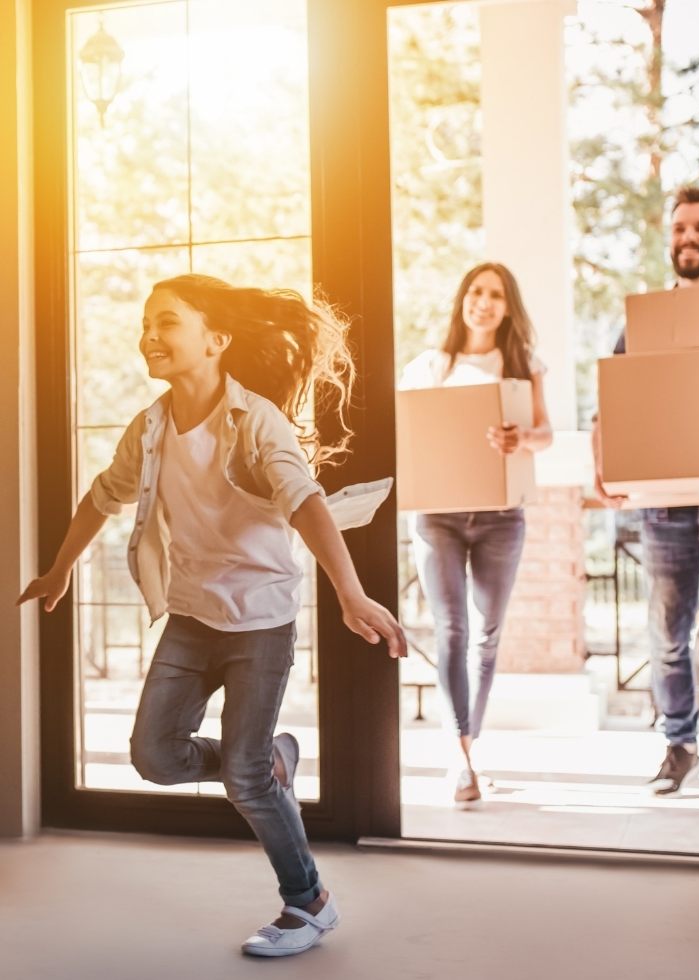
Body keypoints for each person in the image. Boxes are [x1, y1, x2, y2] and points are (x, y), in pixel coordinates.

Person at [17, 274, 407, 957]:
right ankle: (264, 761)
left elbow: (306, 501)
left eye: (167, 321)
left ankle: (308, 901)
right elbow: (101, 496)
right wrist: (59, 569)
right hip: (193, 618)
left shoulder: (256, 420)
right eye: (146, 322)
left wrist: (349, 592)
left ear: (215, 340)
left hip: (260, 620)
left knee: (245, 781)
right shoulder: (150, 427)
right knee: (153, 756)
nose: (150, 334)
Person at [592, 186, 699, 827]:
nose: (689, 238)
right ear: (670, 238)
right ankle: (679, 745)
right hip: (663, 506)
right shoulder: (641, 322)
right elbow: (611, 404)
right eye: (680, 228)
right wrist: (604, 469)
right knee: (667, 636)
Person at [400, 262, 553, 807]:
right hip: (438, 517)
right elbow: (409, 432)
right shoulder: (429, 366)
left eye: (495, 294)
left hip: (499, 516)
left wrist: (522, 438)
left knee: (486, 636)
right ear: (462, 299)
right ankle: (459, 756)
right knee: (452, 630)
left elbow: (545, 433)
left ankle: (469, 746)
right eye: (475, 291)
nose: (483, 301)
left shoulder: (522, 364)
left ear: (508, 307)